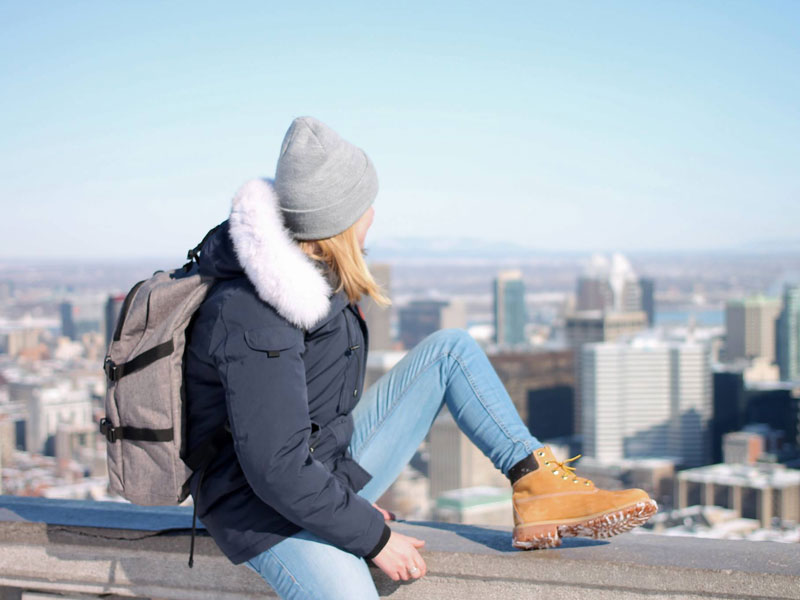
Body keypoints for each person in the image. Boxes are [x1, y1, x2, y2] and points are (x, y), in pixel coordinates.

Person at [184, 116, 658, 600]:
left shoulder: (312, 277)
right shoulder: (255, 312)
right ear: (339, 219)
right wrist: (370, 534)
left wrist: (344, 506)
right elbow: (275, 469)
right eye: (367, 204)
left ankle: (538, 487)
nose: (374, 215)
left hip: (321, 475)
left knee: (449, 351)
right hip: (260, 511)